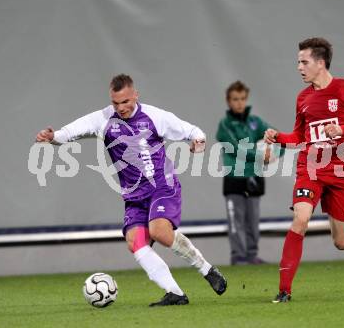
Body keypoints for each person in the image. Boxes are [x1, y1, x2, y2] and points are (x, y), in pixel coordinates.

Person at [36, 74, 227, 306]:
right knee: (135, 241)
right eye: (116, 103)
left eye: (125, 101)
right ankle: (175, 293)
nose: (121, 107)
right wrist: (53, 137)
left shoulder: (155, 116)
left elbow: (194, 131)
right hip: (134, 196)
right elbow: (71, 131)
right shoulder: (103, 119)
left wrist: (198, 143)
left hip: (162, 186)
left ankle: (207, 270)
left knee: (159, 232)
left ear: (135, 95)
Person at [265, 38, 344, 303]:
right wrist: (278, 137)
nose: (299, 67)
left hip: (341, 172)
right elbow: (299, 135)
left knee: (341, 243)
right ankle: (284, 290)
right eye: (298, 62)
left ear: (321, 63)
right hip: (310, 168)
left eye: (304, 62)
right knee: (301, 219)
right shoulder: (303, 98)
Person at [216, 81, 282, 265]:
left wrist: (276, 152)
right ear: (228, 101)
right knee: (236, 220)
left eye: (243, 99)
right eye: (235, 99)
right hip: (234, 178)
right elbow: (236, 149)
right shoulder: (225, 125)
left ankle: (252, 255)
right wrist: (262, 156)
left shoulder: (256, 122)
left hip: (254, 177)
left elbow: (277, 137)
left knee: (252, 220)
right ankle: (238, 256)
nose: (239, 103)